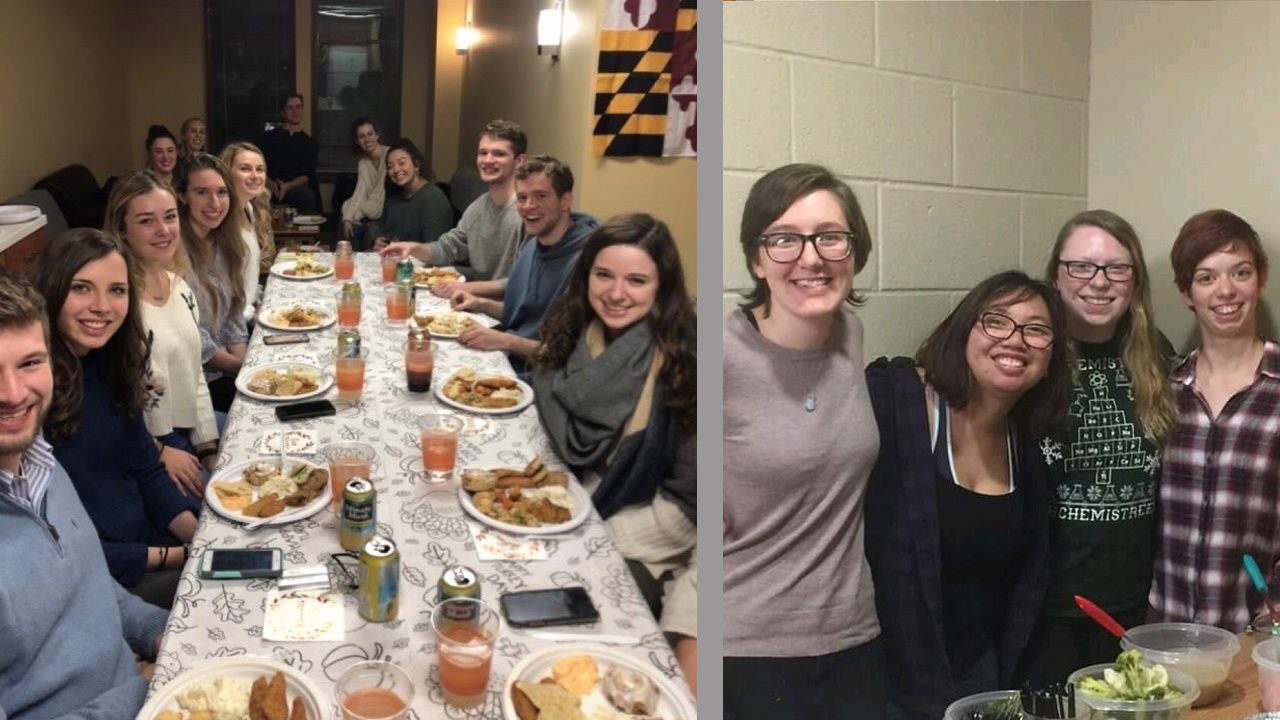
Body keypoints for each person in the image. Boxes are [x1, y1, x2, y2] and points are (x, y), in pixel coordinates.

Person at [864, 271, 1072, 720]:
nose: (1015, 340)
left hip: (980, 685)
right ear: (963, 330)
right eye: (996, 321)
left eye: (1036, 330)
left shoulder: (1029, 445)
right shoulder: (895, 399)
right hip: (883, 684)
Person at [723, 164, 886, 719]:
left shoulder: (849, 335)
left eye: (830, 237)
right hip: (746, 652)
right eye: (785, 239)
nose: (811, 257)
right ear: (756, 258)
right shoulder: (716, 353)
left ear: (855, 252)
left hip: (855, 639)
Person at [531, 213, 697, 695]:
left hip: (646, 530)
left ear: (662, 287)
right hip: (579, 498)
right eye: (604, 275)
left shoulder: (688, 360)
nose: (616, 293)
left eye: (637, 280)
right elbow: (546, 394)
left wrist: (588, 533)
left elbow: (690, 504)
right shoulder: (574, 326)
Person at [0, 267, 168, 719]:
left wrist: (157, 630)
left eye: (29, 363)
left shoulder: (39, 461)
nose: (13, 394)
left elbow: (88, 583)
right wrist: (141, 693)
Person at [1021, 210, 1176, 686]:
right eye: (1081, 266)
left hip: (1138, 605)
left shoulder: (1158, 354)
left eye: (1117, 268)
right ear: (1056, 276)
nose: (1099, 282)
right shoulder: (1030, 356)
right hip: (1047, 610)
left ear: (1135, 282)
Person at [35, 228, 200, 609]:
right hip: (108, 579)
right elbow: (64, 549)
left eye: (117, 290)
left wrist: (200, 538)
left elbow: (146, 468)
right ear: (52, 289)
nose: (102, 306)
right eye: (82, 288)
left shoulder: (107, 362)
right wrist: (175, 556)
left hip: (151, 544)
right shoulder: (31, 395)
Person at [1152, 209, 1280, 632]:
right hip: (1164, 628)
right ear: (1186, 292)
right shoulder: (1165, 389)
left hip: (1254, 633)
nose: (1225, 291)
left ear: (1260, 278)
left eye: (1240, 273)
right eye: (1207, 277)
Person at [104, 170, 219, 497]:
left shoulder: (180, 286)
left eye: (169, 217)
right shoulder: (117, 302)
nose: (164, 230)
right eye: (146, 221)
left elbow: (194, 370)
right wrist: (160, 450)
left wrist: (208, 445)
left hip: (187, 433)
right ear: (122, 230)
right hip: (147, 449)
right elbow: (109, 403)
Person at [450, 155, 599, 371]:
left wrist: (505, 341)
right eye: (522, 197)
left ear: (565, 201)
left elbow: (570, 356)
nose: (529, 206)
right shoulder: (533, 247)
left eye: (540, 196)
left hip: (541, 375)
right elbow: (524, 314)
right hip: (511, 358)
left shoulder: (586, 262)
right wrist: (479, 303)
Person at [377, 119, 526, 281]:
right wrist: (412, 247)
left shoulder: (527, 213)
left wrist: (472, 293)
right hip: (472, 296)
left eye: (499, 153)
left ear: (519, 161)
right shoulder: (477, 207)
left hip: (502, 304)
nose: (488, 160)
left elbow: (523, 283)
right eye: (483, 153)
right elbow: (447, 248)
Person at [175, 153, 249, 413]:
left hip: (228, 372)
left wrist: (243, 370)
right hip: (197, 383)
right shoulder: (173, 252)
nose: (215, 202)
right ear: (183, 197)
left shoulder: (225, 245)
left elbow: (234, 318)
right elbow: (193, 335)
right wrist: (242, 371)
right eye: (202, 192)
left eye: (222, 192)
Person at [220, 141, 277, 319]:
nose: (255, 176)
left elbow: (247, 283)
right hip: (237, 324)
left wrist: (260, 299)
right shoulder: (222, 221)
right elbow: (225, 296)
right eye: (245, 169)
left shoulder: (249, 209)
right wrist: (253, 315)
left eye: (260, 169)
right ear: (227, 173)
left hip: (251, 311)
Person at [374, 139, 452, 247]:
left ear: (416, 165)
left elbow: (435, 250)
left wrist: (399, 250)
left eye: (402, 163)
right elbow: (384, 230)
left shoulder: (433, 199)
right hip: (390, 259)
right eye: (390, 167)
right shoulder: (394, 195)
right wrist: (378, 241)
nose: (396, 170)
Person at [258, 93, 320, 214]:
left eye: (298, 107)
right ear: (282, 112)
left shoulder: (310, 143)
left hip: (296, 187)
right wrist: (271, 184)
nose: (295, 111)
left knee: (307, 196)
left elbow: (307, 175)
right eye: (290, 107)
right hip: (270, 185)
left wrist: (286, 186)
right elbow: (259, 166)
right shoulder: (267, 138)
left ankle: (305, 233)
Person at [340, 116, 389, 249]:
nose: (367, 139)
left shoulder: (389, 155)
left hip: (388, 211)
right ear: (357, 141)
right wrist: (348, 219)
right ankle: (347, 261)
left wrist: (357, 212)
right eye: (362, 136)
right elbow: (360, 192)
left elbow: (379, 201)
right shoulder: (363, 162)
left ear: (377, 135)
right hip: (371, 210)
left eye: (370, 134)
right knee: (347, 221)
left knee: (370, 228)